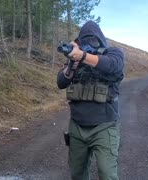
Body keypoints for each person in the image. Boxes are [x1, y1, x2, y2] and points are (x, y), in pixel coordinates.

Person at [56, 21, 125, 180]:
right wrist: (72, 64)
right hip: (77, 126)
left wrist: (84, 56)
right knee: (77, 173)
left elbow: (113, 66)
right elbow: (61, 82)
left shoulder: (113, 53)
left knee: (107, 174)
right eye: (84, 40)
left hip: (105, 126)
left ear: (100, 39)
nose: (88, 43)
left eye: (92, 39)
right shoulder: (76, 60)